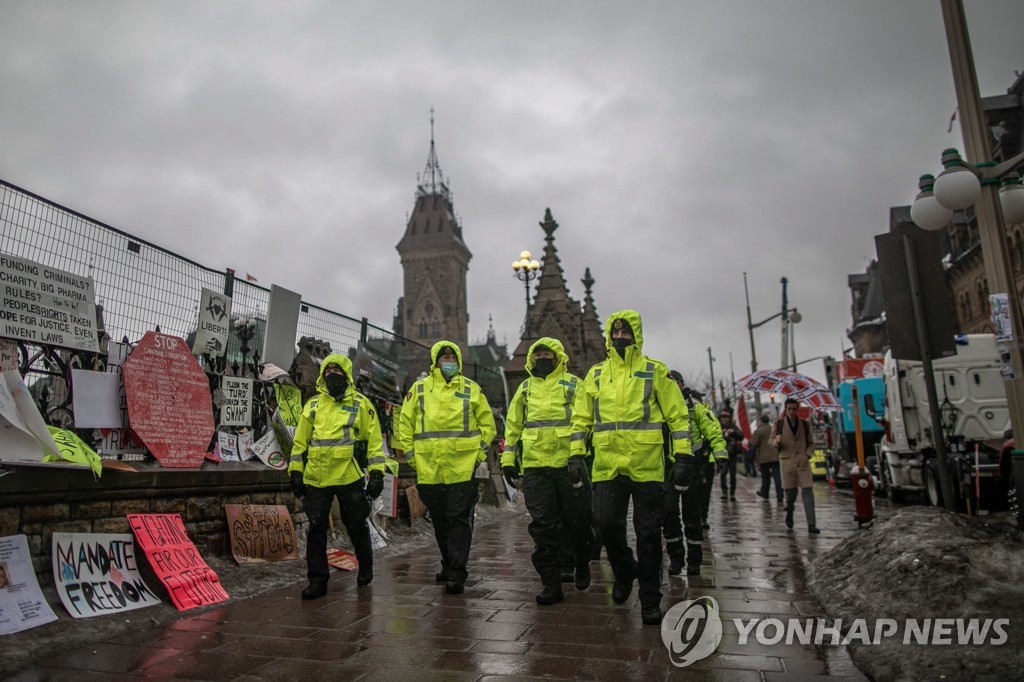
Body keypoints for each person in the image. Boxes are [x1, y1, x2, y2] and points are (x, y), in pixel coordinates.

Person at [571, 310, 692, 626]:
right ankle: (625, 572)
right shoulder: (596, 374)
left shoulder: (655, 371)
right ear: (608, 336)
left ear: (636, 336)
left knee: (649, 535)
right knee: (607, 526)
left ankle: (650, 599)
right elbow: (581, 418)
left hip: (646, 466)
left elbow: (678, 416)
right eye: (616, 333)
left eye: (626, 333)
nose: (620, 338)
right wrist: (574, 453)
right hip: (608, 466)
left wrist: (683, 456)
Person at [289, 354, 396, 599]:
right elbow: (300, 442)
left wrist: (377, 473)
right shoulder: (313, 405)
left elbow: (374, 443)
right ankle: (317, 581)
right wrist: (295, 471)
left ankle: (365, 564)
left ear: (346, 374)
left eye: (336, 370)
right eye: (327, 371)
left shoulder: (361, 404)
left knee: (356, 523)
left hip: (349, 474)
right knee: (316, 528)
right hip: (317, 476)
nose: (331, 375)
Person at [395, 341, 497, 594]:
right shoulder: (419, 390)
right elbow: (404, 425)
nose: (448, 361)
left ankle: (457, 572)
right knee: (440, 521)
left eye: (452, 357)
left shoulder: (471, 389)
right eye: (444, 357)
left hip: (462, 468)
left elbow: (488, 426)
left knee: (459, 519)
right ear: (435, 361)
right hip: (429, 469)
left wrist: (478, 455)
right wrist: (412, 456)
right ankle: (449, 563)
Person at [502, 337, 593, 605]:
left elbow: (583, 421)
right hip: (535, 467)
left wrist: (577, 456)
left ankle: (581, 561)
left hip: (568, 465)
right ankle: (551, 582)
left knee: (577, 521)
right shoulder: (525, 389)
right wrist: (509, 458)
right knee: (543, 526)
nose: (542, 358)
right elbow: (513, 425)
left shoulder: (574, 385)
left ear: (558, 357)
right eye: (538, 353)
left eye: (547, 354)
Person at [663, 371, 726, 577]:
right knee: (669, 513)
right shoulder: (660, 409)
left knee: (692, 516)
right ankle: (676, 558)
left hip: (693, 468)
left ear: (682, 385)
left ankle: (694, 561)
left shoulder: (697, 409)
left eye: (675, 383)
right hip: (669, 471)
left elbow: (714, 432)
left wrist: (720, 456)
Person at [773, 398, 820, 534]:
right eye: (789, 409)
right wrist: (776, 441)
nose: (792, 412)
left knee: (807, 492)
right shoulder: (779, 424)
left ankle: (811, 524)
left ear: (797, 409)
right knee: (791, 494)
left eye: (794, 409)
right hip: (787, 463)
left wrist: (808, 455)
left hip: (803, 463)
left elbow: (811, 442)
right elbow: (771, 441)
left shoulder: (805, 424)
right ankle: (790, 511)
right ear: (785, 409)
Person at [752, 414, 783, 503]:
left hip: (764, 457)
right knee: (778, 477)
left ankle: (765, 492)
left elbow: (754, 444)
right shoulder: (774, 429)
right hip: (775, 456)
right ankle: (780, 495)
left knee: (766, 477)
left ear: (761, 421)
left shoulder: (758, 431)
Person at [718, 407, 745, 499]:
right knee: (723, 473)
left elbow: (741, 435)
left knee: (733, 474)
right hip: (721, 453)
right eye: (722, 417)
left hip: (732, 453)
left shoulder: (733, 427)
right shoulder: (718, 427)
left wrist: (733, 432)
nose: (724, 419)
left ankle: (732, 492)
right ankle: (724, 491)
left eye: (726, 417)